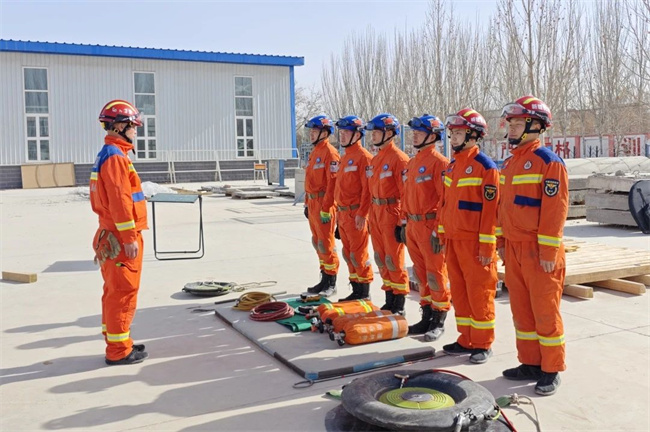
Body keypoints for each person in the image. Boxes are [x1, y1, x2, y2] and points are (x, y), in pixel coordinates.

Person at [497, 96, 568, 396]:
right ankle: (530, 362)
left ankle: (551, 369)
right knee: (522, 311)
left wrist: (548, 251)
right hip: (514, 249)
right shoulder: (510, 163)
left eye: (517, 123)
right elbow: (502, 207)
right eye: (510, 123)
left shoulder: (549, 162)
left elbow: (555, 211)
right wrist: (501, 241)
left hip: (539, 252)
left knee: (545, 312)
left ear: (535, 126)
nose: (511, 128)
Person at [438, 108, 499, 364]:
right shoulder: (453, 166)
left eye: (459, 133)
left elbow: (491, 213)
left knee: (479, 293)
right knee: (460, 292)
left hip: (474, 244)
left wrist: (487, 247)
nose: (453, 137)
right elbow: (445, 204)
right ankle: (466, 339)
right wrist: (442, 234)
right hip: (454, 241)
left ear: (473, 135)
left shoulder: (485, 167)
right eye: (452, 133)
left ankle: (483, 344)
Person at [91, 100, 148, 365]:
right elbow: (120, 200)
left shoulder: (111, 153)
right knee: (123, 292)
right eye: (133, 126)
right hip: (120, 236)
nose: (136, 131)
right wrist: (128, 238)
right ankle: (118, 351)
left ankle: (119, 342)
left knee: (115, 291)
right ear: (120, 126)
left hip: (111, 234)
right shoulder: (115, 156)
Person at [401, 114, 451, 339]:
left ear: (432, 136)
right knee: (420, 274)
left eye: (419, 133)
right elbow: (406, 195)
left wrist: (438, 230)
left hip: (429, 225)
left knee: (436, 274)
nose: (415, 136)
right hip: (413, 225)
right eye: (414, 132)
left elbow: (445, 201)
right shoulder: (413, 162)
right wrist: (403, 222)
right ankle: (427, 314)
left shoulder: (440, 163)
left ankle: (439, 318)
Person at [365, 113, 410, 314]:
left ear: (390, 133)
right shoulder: (376, 160)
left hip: (391, 212)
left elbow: (405, 193)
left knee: (393, 259)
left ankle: (399, 302)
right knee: (381, 257)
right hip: (376, 213)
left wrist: (402, 221)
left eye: (377, 132)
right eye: (373, 132)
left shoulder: (399, 159)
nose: (373, 135)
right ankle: (389, 297)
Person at [333, 116, 374, 301]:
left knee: (359, 254)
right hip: (343, 214)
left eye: (346, 132)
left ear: (357, 135)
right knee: (348, 253)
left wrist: (362, 214)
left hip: (355, 213)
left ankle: (364, 292)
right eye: (341, 132)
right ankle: (356, 288)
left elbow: (367, 190)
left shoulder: (364, 157)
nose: (342, 136)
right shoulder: (345, 157)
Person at [304, 115, 340, 297]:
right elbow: (309, 180)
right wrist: (306, 203)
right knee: (317, 242)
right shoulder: (315, 152)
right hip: (312, 203)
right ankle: (324, 277)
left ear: (325, 133)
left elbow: (332, 184)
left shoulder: (330, 153)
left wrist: (326, 208)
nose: (311, 134)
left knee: (326, 244)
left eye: (315, 131)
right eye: (311, 131)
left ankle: (331, 282)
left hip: (323, 204)